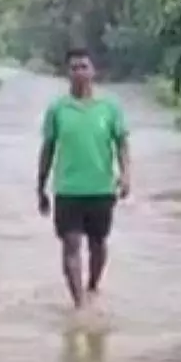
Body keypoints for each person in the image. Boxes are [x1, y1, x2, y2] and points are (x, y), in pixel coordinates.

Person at [36, 48, 131, 310]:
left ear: (93, 71)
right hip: (67, 190)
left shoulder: (109, 107)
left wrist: (126, 175)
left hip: (101, 188)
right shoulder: (57, 109)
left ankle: (93, 286)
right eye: (73, 67)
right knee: (70, 245)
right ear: (67, 73)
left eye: (83, 67)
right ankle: (79, 304)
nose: (79, 72)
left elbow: (122, 143)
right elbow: (48, 147)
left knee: (98, 244)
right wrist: (40, 186)